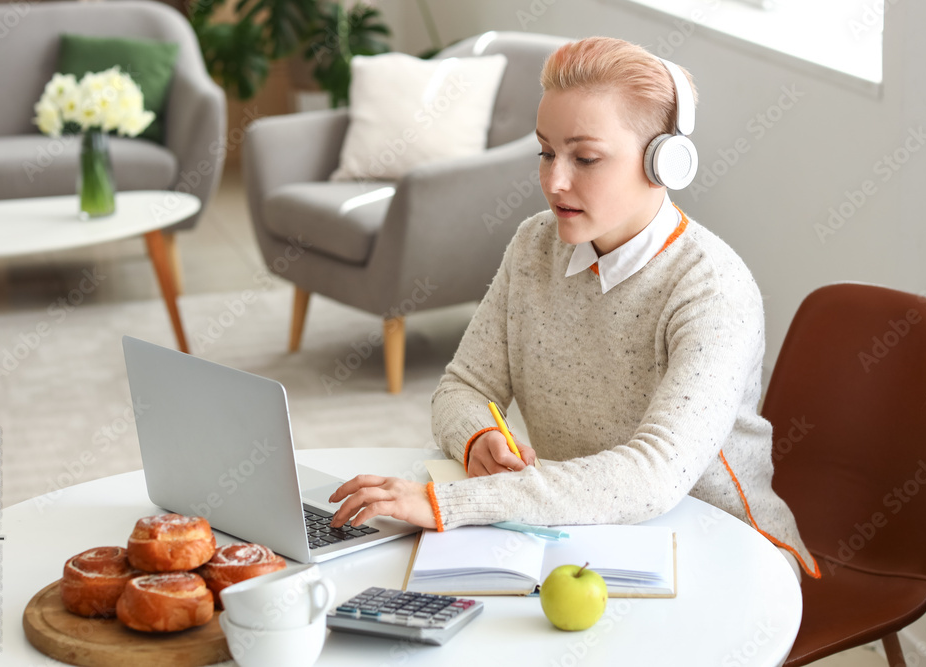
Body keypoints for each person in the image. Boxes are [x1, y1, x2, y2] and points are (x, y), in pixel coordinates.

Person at [330, 36, 820, 581]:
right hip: (581, 531)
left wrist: (456, 503)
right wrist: (477, 438)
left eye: (585, 158)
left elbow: (653, 475)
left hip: (724, 545)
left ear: (665, 162)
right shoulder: (533, 244)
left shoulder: (712, 290)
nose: (553, 180)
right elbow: (463, 385)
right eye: (545, 151)